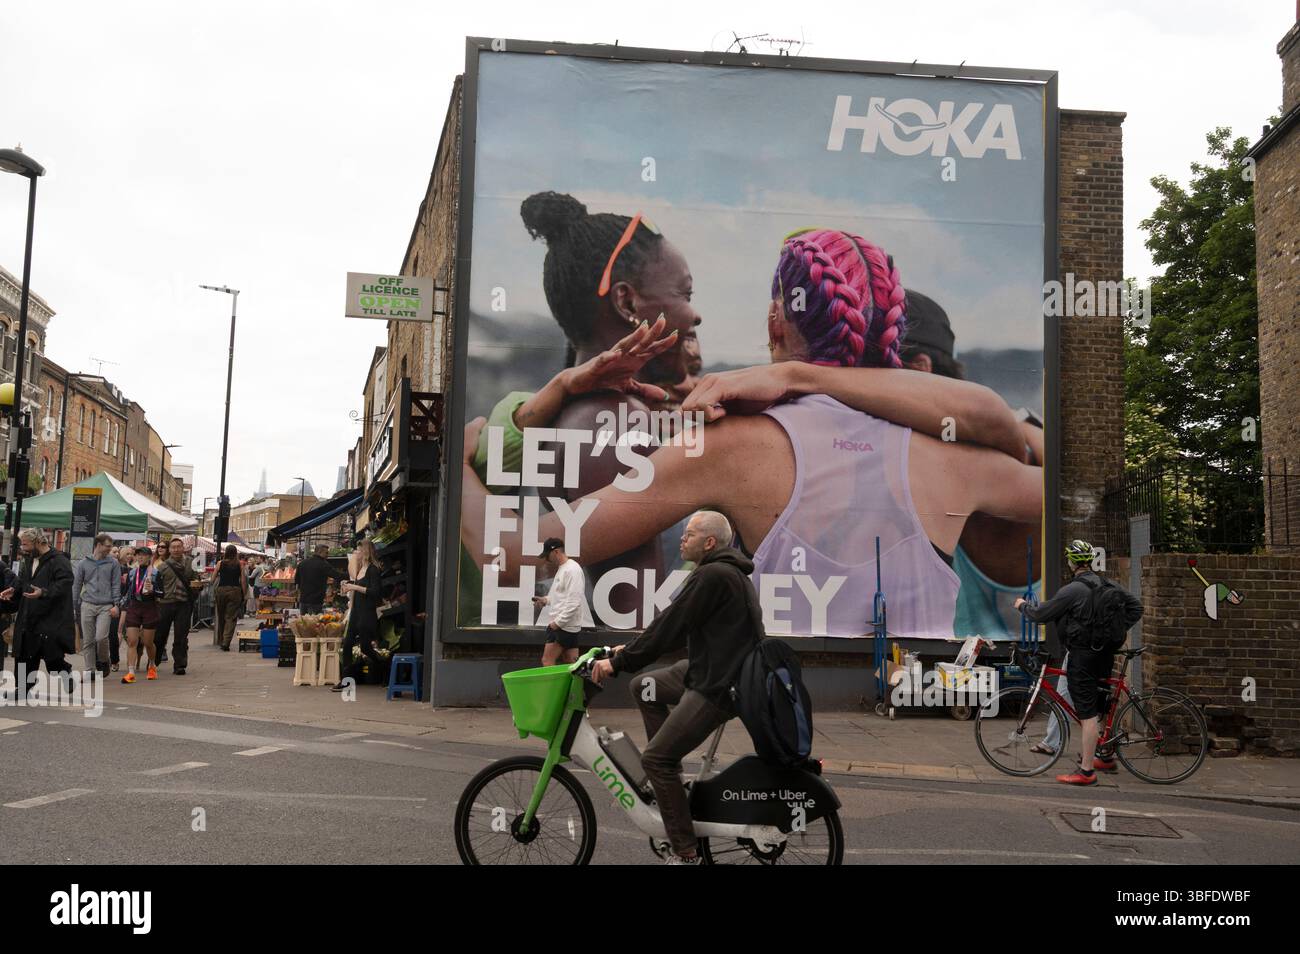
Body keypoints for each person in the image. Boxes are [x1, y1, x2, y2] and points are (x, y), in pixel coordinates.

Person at [462, 229, 1042, 639]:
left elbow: (513, 557)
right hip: (915, 716)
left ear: (774, 323)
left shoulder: (729, 447)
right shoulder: (957, 459)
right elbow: (1052, 476)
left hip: (774, 736)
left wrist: (457, 465)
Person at [591, 511, 761, 864]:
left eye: (690, 534)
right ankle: (672, 783)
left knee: (656, 759)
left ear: (709, 542)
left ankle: (685, 851)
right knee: (645, 686)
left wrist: (618, 663)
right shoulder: (721, 573)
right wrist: (629, 651)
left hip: (718, 685)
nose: (682, 539)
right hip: (706, 669)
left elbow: (671, 624)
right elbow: (675, 627)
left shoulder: (714, 575)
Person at [1014, 540, 1143, 785]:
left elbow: (1040, 614)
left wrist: (1022, 606)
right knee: (1095, 703)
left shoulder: (1072, 590)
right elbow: (1136, 607)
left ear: (1072, 562)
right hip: (1104, 654)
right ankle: (1103, 755)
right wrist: (1113, 632)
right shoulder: (1109, 584)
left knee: (1087, 713)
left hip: (1083, 656)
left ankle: (1086, 772)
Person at [1, 529, 75, 698]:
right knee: (23, 653)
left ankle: (65, 672)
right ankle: (22, 689)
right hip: (28, 614)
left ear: (38, 542)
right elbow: (23, 582)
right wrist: (13, 590)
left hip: (50, 616)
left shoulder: (59, 561)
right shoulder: (28, 559)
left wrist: (43, 592)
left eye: (25, 544)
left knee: (51, 654)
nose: (23, 548)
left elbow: (65, 583)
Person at [331, 539, 383, 691]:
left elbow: (375, 592)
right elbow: (358, 590)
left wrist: (354, 587)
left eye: (358, 550)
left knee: (366, 648)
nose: (356, 553)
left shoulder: (373, 570)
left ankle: (384, 668)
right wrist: (348, 587)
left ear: (365, 552)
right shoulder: (360, 569)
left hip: (367, 613)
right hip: (356, 612)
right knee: (347, 644)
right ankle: (346, 681)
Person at [532, 537, 593, 666]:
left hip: (563, 626)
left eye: (547, 555)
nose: (547, 559)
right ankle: (585, 679)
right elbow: (561, 596)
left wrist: (557, 623)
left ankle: (553, 685)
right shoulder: (564, 568)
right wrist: (545, 600)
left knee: (547, 660)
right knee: (571, 664)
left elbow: (574, 601)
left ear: (556, 552)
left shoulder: (572, 570)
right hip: (566, 625)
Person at [73, 533, 122, 678]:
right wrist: (73, 606)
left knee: (101, 637)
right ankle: (90, 670)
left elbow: (116, 585)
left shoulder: (113, 563)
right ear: (98, 545)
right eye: (108, 546)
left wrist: (116, 604)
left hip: (106, 606)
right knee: (88, 640)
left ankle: (104, 660)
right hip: (87, 604)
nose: (110, 549)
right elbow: (76, 585)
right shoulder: (83, 563)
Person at [154, 537, 201, 675]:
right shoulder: (162, 566)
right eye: (173, 547)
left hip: (184, 603)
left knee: (181, 636)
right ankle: (154, 661)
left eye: (178, 547)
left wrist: (197, 584)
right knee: (160, 635)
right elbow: (157, 585)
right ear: (169, 550)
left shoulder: (191, 563)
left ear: (183, 548)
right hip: (165, 603)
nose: (176, 549)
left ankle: (180, 665)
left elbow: (196, 578)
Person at [119, 546, 159, 682]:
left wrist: (153, 590)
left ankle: (152, 665)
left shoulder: (156, 573)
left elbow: (163, 593)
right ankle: (131, 672)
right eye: (138, 555)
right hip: (134, 607)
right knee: (132, 641)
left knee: (148, 642)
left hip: (149, 607)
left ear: (150, 557)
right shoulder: (132, 573)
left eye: (143, 555)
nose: (140, 557)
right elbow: (127, 591)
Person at [213, 544, 248, 652]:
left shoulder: (220, 563)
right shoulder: (239, 564)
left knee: (221, 616)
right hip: (234, 591)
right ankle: (226, 642)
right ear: (235, 553)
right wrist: (244, 593)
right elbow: (243, 581)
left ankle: (221, 640)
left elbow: (213, 578)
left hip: (221, 591)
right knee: (231, 617)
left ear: (226, 552)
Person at [295, 544, 340, 616]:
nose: (328, 555)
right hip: (316, 601)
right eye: (326, 553)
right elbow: (337, 575)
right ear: (320, 552)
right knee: (314, 622)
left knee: (303, 621)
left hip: (303, 600)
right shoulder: (323, 564)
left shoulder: (302, 563)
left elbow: (297, 580)